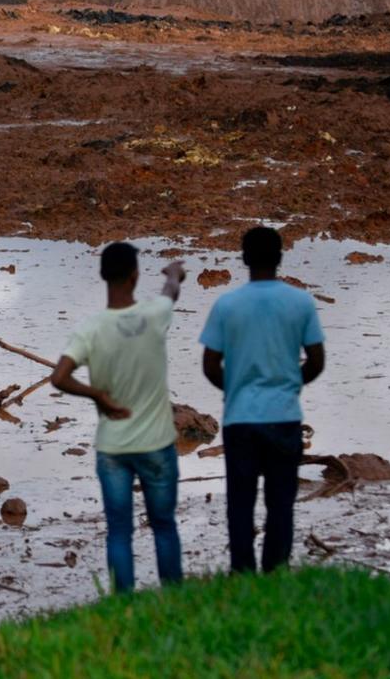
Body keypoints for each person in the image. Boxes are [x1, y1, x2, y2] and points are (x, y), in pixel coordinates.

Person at [50, 242, 187, 592]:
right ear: (135, 276)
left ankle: (122, 605)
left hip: (112, 448)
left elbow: (60, 377)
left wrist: (97, 395)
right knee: (164, 526)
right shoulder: (155, 313)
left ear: (102, 276)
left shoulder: (90, 329)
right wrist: (173, 272)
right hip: (157, 444)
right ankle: (175, 599)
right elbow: (171, 290)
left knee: (119, 532)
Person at [200, 226, 325, 574]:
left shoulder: (227, 304)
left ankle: (242, 574)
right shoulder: (300, 302)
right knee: (281, 503)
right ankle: (276, 572)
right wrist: (290, 384)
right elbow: (316, 361)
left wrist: (234, 388)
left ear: (243, 259)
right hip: (283, 417)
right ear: (281, 257)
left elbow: (210, 365)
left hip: (240, 420)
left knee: (240, 503)